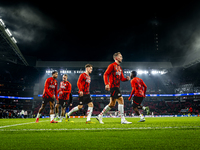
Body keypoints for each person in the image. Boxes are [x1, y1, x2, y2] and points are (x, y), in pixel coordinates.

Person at [96, 52, 132, 124]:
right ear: (116, 58)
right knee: (121, 100)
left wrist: (126, 79)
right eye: (120, 56)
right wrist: (106, 84)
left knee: (112, 104)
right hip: (113, 87)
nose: (122, 58)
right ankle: (122, 119)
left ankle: (100, 115)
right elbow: (105, 74)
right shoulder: (112, 66)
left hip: (117, 87)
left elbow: (122, 78)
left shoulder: (119, 68)